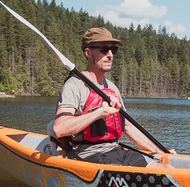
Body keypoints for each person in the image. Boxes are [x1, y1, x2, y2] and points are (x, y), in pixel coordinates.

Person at [52, 27, 167, 166]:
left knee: (161, 167)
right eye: (104, 49)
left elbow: (128, 128)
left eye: (113, 49)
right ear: (88, 53)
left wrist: (160, 152)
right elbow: (59, 129)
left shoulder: (112, 88)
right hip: (88, 156)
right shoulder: (74, 85)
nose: (110, 54)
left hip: (116, 151)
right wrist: (100, 112)